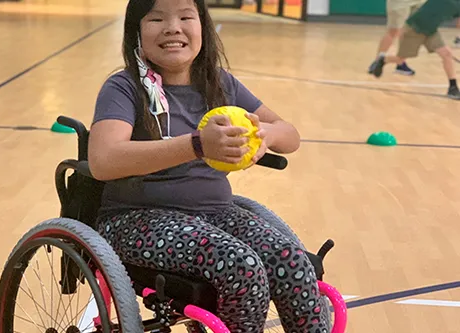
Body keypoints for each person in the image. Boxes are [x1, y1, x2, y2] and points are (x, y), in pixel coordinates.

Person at [88, 0, 331, 332]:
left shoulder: (220, 84)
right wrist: (197, 145)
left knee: (292, 261)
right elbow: (103, 161)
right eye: (156, 18)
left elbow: (290, 135)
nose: (173, 27)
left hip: (215, 213)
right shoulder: (124, 88)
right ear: (136, 32)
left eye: (186, 17)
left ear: (202, 27)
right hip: (137, 219)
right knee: (242, 266)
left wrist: (265, 134)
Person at [368, 0, 460, 100]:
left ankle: (453, 87)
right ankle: (383, 59)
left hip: (431, 31)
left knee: (446, 54)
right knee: (400, 59)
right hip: (413, 29)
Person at [368, 0, 426, 76]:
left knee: (410, 32)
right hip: (399, 2)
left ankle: (400, 62)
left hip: (419, 2)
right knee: (394, 30)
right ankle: (377, 62)